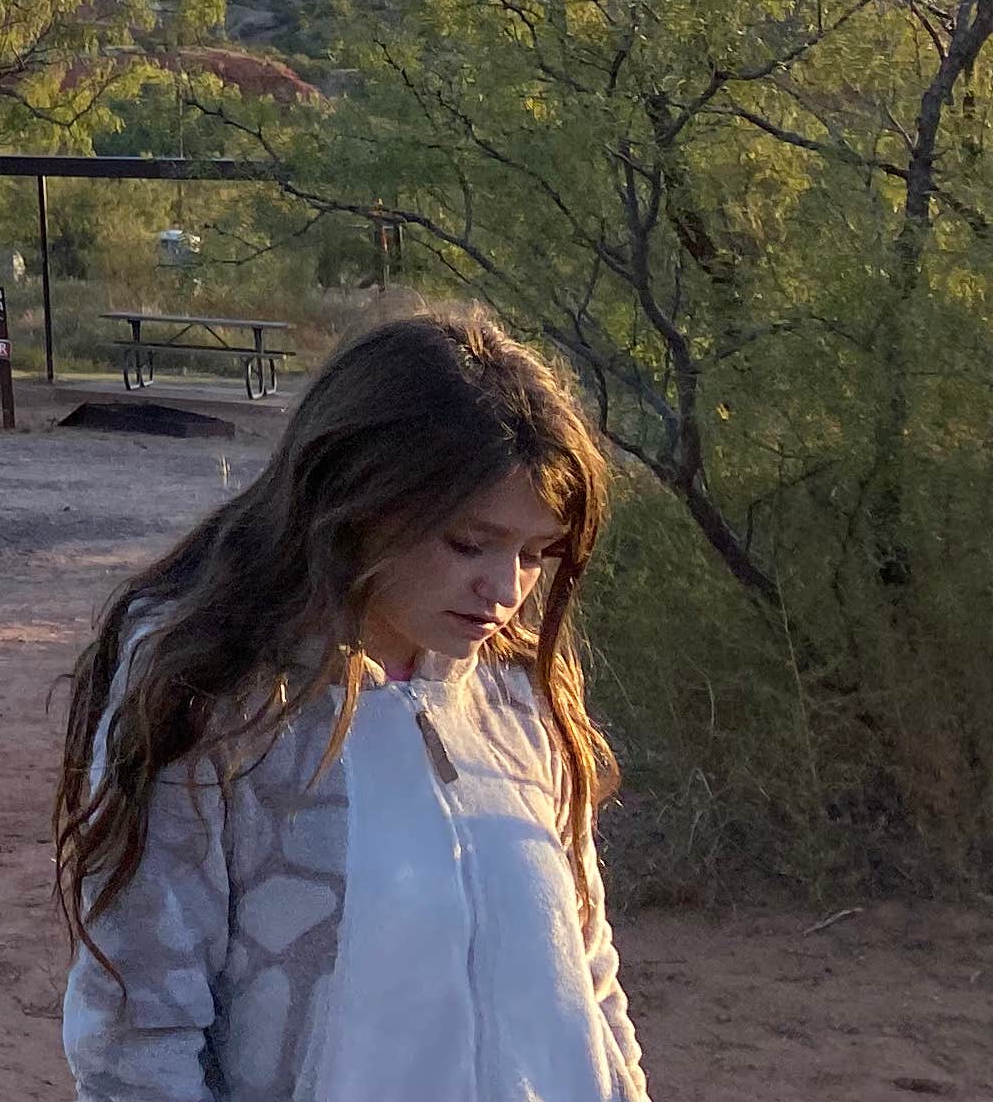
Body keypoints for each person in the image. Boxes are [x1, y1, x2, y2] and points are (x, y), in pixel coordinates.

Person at [55, 306, 649, 1102]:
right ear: (358, 501)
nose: (507, 592)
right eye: (470, 543)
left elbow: (589, 971)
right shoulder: (216, 701)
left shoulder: (517, 693)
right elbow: (138, 1035)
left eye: (537, 554)